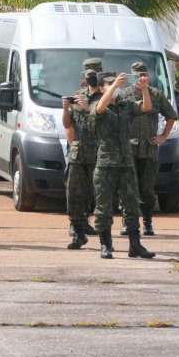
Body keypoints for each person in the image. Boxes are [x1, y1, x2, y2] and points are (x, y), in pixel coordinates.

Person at [90, 71, 155, 259]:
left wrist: (144, 90)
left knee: (132, 204)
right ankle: (106, 246)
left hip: (126, 163)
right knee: (103, 207)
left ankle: (135, 246)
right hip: (106, 164)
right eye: (110, 84)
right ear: (102, 88)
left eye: (116, 84)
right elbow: (100, 108)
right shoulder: (97, 104)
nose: (115, 87)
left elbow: (146, 107)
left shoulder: (125, 106)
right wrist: (115, 86)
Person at [119, 62, 178, 236]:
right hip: (129, 150)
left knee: (146, 189)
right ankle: (127, 222)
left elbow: (171, 116)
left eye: (143, 76)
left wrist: (163, 136)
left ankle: (147, 222)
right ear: (132, 76)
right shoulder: (124, 95)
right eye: (137, 76)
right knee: (128, 188)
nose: (140, 79)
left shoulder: (156, 95)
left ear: (148, 76)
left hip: (149, 150)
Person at [62, 58, 103, 249]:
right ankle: (78, 233)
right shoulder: (78, 95)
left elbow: (108, 122)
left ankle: (105, 237)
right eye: (88, 76)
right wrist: (65, 108)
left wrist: (89, 107)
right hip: (78, 153)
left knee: (100, 196)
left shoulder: (108, 97)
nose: (91, 78)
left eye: (94, 75)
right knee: (73, 194)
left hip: (100, 153)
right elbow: (68, 124)